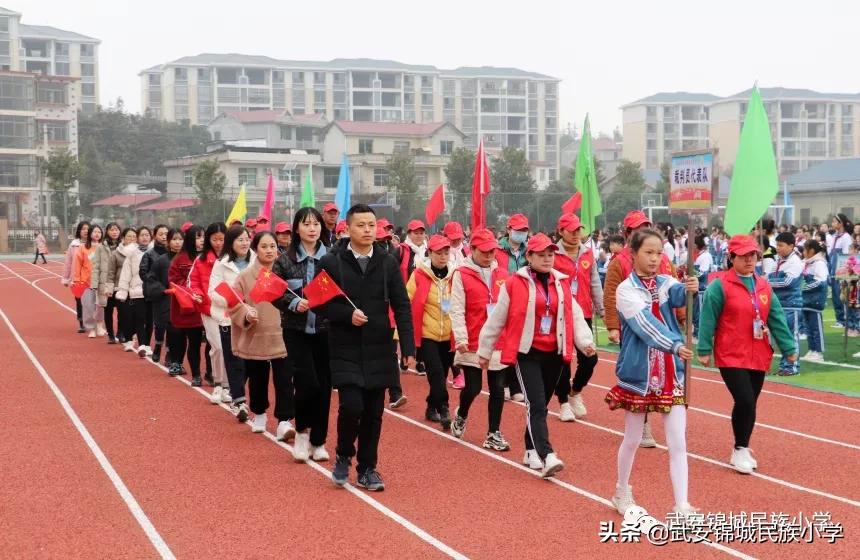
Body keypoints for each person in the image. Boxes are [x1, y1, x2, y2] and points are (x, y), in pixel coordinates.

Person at [315, 204, 416, 492]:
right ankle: (344, 452)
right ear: (347, 228)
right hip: (344, 346)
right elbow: (320, 305)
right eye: (361, 225)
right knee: (352, 406)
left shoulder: (387, 262)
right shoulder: (331, 263)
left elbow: (402, 304)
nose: (368, 230)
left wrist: (408, 344)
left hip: (379, 347)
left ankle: (368, 467)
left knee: (373, 412)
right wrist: (347, 315)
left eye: (372, 225)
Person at [477, 233, 596, 478]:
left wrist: (586, 343)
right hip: (527, 353)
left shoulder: (561, 283)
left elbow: (574, 314)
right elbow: (497, 319)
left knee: (539, 404)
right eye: (541, 255)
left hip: (555, 352)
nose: (547, 259)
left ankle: (530, 449)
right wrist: (485, 350)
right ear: (529, 256)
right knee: (536, 404)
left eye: (550, 254)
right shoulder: (514, 284)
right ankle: (547, 454)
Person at [604, 229, 699, 518]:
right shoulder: (626, 290)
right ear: (633, 254)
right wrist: (674, 344)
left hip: (671, 373)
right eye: (648, 252)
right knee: (632, 439)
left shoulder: (666, 282)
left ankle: (682, 505)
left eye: (659, 253)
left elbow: (678, 295)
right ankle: (621, 489)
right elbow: (644, 326)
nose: (655, 258)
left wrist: (691, 287)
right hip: (639, 376)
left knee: (677, 441)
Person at [697, 235, 797, 474]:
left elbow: (777, 319)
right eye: (744, 256)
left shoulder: (763, 285)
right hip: (731, 352)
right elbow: (707, 318)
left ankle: (742, 447)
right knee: (744, 400)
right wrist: (703, 348)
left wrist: (789, 348)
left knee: (750, 403)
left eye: (753, 255)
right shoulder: (718, 286)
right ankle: (740, 447)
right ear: (731, 258)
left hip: (759, 353)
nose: (750, 260)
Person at [603, 210, 676, 448]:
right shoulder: (619, 262)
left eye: (645, 226)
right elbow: (611, 293)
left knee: (664, 375)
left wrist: (682, 315)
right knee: (640, 374)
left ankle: (657, 419)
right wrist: (613, 326)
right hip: (635, 327)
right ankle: (641, 423)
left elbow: (674, 287)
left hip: (663, 325)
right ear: (627, 234)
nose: (641, 231)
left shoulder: (663, 259)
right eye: (636, 228)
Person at [273, 207, 332, 461]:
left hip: (325, 330)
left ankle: (319, 441)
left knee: (325, 386)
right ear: (297, 228)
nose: (312, 228)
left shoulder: (331, 257)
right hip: (296, 330)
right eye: (306, 224)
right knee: (307, 383)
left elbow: (342, 289)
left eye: (316, 224)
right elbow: (274, 291)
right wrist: (293, 303)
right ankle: (302, 433)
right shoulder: (284, 259)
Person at [449, 228, 511, 451]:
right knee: (473, 387)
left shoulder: (502, 274)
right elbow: (456, 309)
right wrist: (461, 338)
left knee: (498, 387)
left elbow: (509, 308)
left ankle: (493, 433)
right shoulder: (461, 274)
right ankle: (461, 414)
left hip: (497, 340)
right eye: (483, 251)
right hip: (473, 339)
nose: (488, 255)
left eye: (492, 251)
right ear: (472, 249)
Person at [230, 232, 294, 438]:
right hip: (256, 334)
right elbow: (233, 302)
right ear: (255, 249)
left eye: (273, 246)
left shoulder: (284, 272)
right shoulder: (245, 276)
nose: (269, 251)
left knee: (284, 379)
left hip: (283, 333)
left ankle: (284, 420)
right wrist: (246, 314)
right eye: (264, 246)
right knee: (257, 377)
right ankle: (259, 413)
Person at [552, 213, 604, 422]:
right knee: (562, 361)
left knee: (590, 358)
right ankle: (563, 401)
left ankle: (576, 391)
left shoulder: (587, 253)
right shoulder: (552, 254)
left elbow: (594, 283)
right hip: (560, 314)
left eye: (578, 230)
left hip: (583, 314)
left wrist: (602, 309)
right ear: (561, 231)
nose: (576, 234)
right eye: (571, 230)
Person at [407, 234, 455, 430]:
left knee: (442, 375)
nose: (443, 257)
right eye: (438, 253)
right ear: (430, 253)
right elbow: (407, 299)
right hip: (428, 334)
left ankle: (430, 405)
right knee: (435, 372)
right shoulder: (419, 275)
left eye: (446, 252)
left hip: (449, 334)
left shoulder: (456, 274)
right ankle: (444, 408)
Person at [208, 225, 253, 413]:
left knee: (250, 362)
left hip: (253, 318)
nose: (244, 243)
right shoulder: (221, 264)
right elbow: (212, 291)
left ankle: (236, 391)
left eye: (246, 239)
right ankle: (239, 401)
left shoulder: (257, 261)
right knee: (234, 359)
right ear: (231, 243)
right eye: (240, 240)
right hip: (229, 318)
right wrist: (232, 301)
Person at [190, 222, 228, 389]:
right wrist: (196, 293)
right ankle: (218, 381)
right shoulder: (201, 259)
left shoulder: (233, 259)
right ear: (208, 240)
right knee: (218, 347)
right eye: (214, 239)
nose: (218, 243)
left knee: (230, 348)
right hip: (209, 309)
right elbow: (193, 281)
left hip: (230, 309)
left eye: (222, 239)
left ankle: (228, 384)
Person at [167, 225, 205, 384]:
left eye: (203, 236)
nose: (202, 240)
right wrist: (190, 286)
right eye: (198, 237)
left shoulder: (206, 257)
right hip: (182, 306)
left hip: (199, 306)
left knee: (195, 343)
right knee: (179, 338)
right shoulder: (180, 259)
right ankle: (177, 363)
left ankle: (197, 374)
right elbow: (173, 280)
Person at [767, 232, 804, 376]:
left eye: (781, 245)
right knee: (779, 336)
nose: (778, 248)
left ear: (791, 246)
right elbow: (767, 276)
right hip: (777, 304)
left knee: (790, 336)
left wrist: (768, 282)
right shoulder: (777, 260)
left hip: (791, 304)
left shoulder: (795, 262)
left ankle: (791, 367)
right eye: (777, 245)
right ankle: (783, 366)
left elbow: (788, 282)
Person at [146, 229, 183, 368]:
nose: (177, 242)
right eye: (174, 239)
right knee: (164, 326)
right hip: (165, 300)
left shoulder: (188, 260)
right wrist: (162, 290)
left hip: (182, 301)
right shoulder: (161, 261)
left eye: (180, 239)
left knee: (178, 331)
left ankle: (172, 356)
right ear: (168, 242)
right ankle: (161, 346)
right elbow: (151, 280)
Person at [115, 228, 147, 356]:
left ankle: (143, 344)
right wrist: (123, 290)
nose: (144, 237)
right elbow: (125, 274)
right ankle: (129, 339)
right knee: (130, 317)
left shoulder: (153, 252)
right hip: (133, 290)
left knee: (144, 319)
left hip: (148, 290)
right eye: (142, 235)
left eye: (147, 235)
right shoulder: (131, 254)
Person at [140, 225, 169, 363]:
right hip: (157, 294)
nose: (164, 236)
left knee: (173, 325)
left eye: (166, 234)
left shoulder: (176, 254)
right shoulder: (149, 254)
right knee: (160, 323)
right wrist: (159, 286)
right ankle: (157, 345)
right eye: (161, 234)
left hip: (173, 294)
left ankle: (170, 352)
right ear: (155, 235)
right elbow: (144, 274)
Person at [108, 227, 138, 352]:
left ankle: (132, 334)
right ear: (123, 238)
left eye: (133, 237)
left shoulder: (140, 252)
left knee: (135, 314)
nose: (131, 239)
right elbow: (111, 272)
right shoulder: (116, 253)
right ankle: (124, 334)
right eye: (128, 236)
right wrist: (110, 287)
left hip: (136, 287)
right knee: (124, 313)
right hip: (120, 287)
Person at [73, 224, 104, 338]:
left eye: (99, 232)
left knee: (100, 305)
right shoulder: (83, 248)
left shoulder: (104, 247)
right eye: (95, 232)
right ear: (90, 233)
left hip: (101, 282)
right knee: (87, 306)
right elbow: (78, 265)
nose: (97, 234)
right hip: (86, 281)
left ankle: (100, 325)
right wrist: (77, 279)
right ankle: (91, 328)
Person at [93, 222, 122, 343]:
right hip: (106, 283)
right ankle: (110, 334)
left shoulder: (123, 246)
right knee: (108, 309)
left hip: (120, 283)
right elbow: (96, 266)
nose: (114, 232)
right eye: (112, 230)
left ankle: (120, 333)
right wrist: (94, 284)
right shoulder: (101, 247)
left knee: (122, 310)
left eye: (116, 230)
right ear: (107, 232)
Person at [801, 240, 828, 362]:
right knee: (808, 327)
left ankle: (819, 352)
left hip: (815, 301)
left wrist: (803, 287)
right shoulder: (807, 263)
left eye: (804, 249)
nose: (803, 252)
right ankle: (812, 349)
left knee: (816, 327)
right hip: (806, 300)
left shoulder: (819, 263)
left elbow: (821, 282)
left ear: (811, 251)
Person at [63, 221, 90, 333]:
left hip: (90, 277)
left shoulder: (95, 244)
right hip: (77, 278)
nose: (86, 231)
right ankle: (81, 322)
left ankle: (93, 321)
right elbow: (68, 262)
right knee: (79, 300)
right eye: (83, 229)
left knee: (92, 301)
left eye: (88, 229)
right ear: (79, 231)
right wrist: (66, 278)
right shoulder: (73, 245)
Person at [828, 213, 853, 327]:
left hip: (840, 270)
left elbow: (846, 256)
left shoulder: (846, 237)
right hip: (832, 268)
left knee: (841, 295)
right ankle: (839, 319)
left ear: (840, 223)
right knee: (835, 295)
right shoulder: (833, 236)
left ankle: (844, 320)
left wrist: (843, 273)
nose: (832, 224)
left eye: (834, 221)